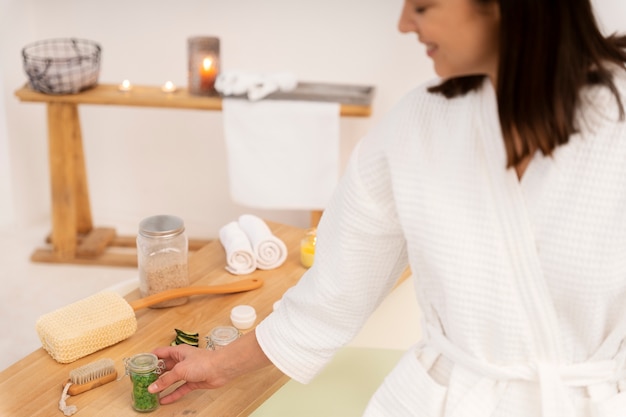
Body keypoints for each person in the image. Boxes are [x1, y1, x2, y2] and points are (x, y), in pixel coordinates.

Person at [148, 0, 626, 415]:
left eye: (421, 6)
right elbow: (333, 295)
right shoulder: (416, 126)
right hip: (442, 401)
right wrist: (216, 364)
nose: (402, 24)